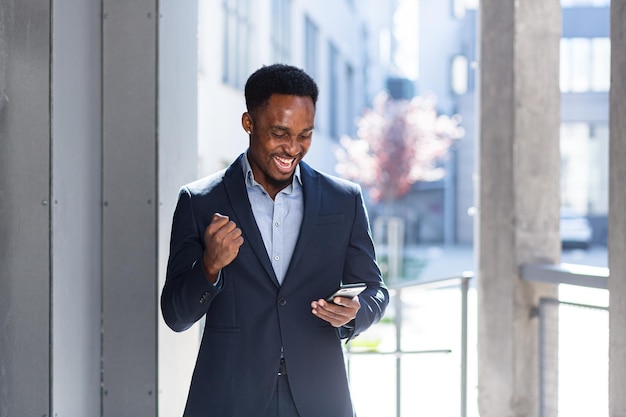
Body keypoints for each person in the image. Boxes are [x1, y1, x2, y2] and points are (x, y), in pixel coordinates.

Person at [161, 63, 389, 417]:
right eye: (280, 132)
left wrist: (355, 314)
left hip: (320, 398)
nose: (293, 148)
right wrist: (209, 266)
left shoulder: (343, 200)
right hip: (227, 398)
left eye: (305, 134)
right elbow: (176, 315)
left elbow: (376, 289)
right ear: (248, 123)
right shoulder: (200, 201)